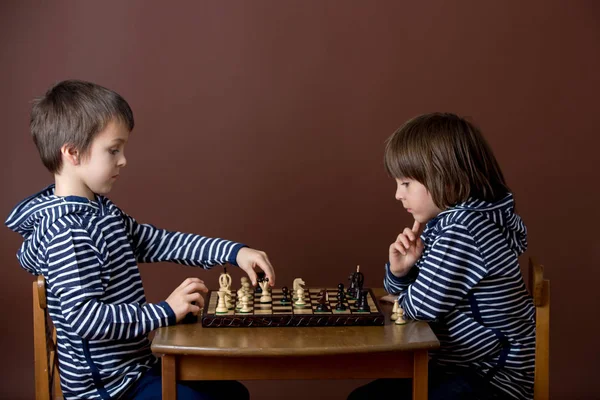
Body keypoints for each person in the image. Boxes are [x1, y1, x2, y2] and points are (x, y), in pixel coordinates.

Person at [5, 80, 275, 400]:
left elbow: (159, 242)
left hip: (134, 370)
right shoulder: (69, 233)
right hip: (109, 389)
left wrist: (235, 252)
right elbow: (86, 319)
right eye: (113, 150)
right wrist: (166, 310)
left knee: (230, 393)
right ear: (72, 153)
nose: (123, 160)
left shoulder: (100, 213)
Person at [348, 113, 535, 400]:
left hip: (492, 379)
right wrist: (402, 273)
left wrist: (405, 298)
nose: (398, 194)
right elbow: (415, 297)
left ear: (445, 177)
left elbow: (420, 307)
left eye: (406, 183)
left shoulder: (464, 229)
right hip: (462, 367)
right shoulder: (448, 225)